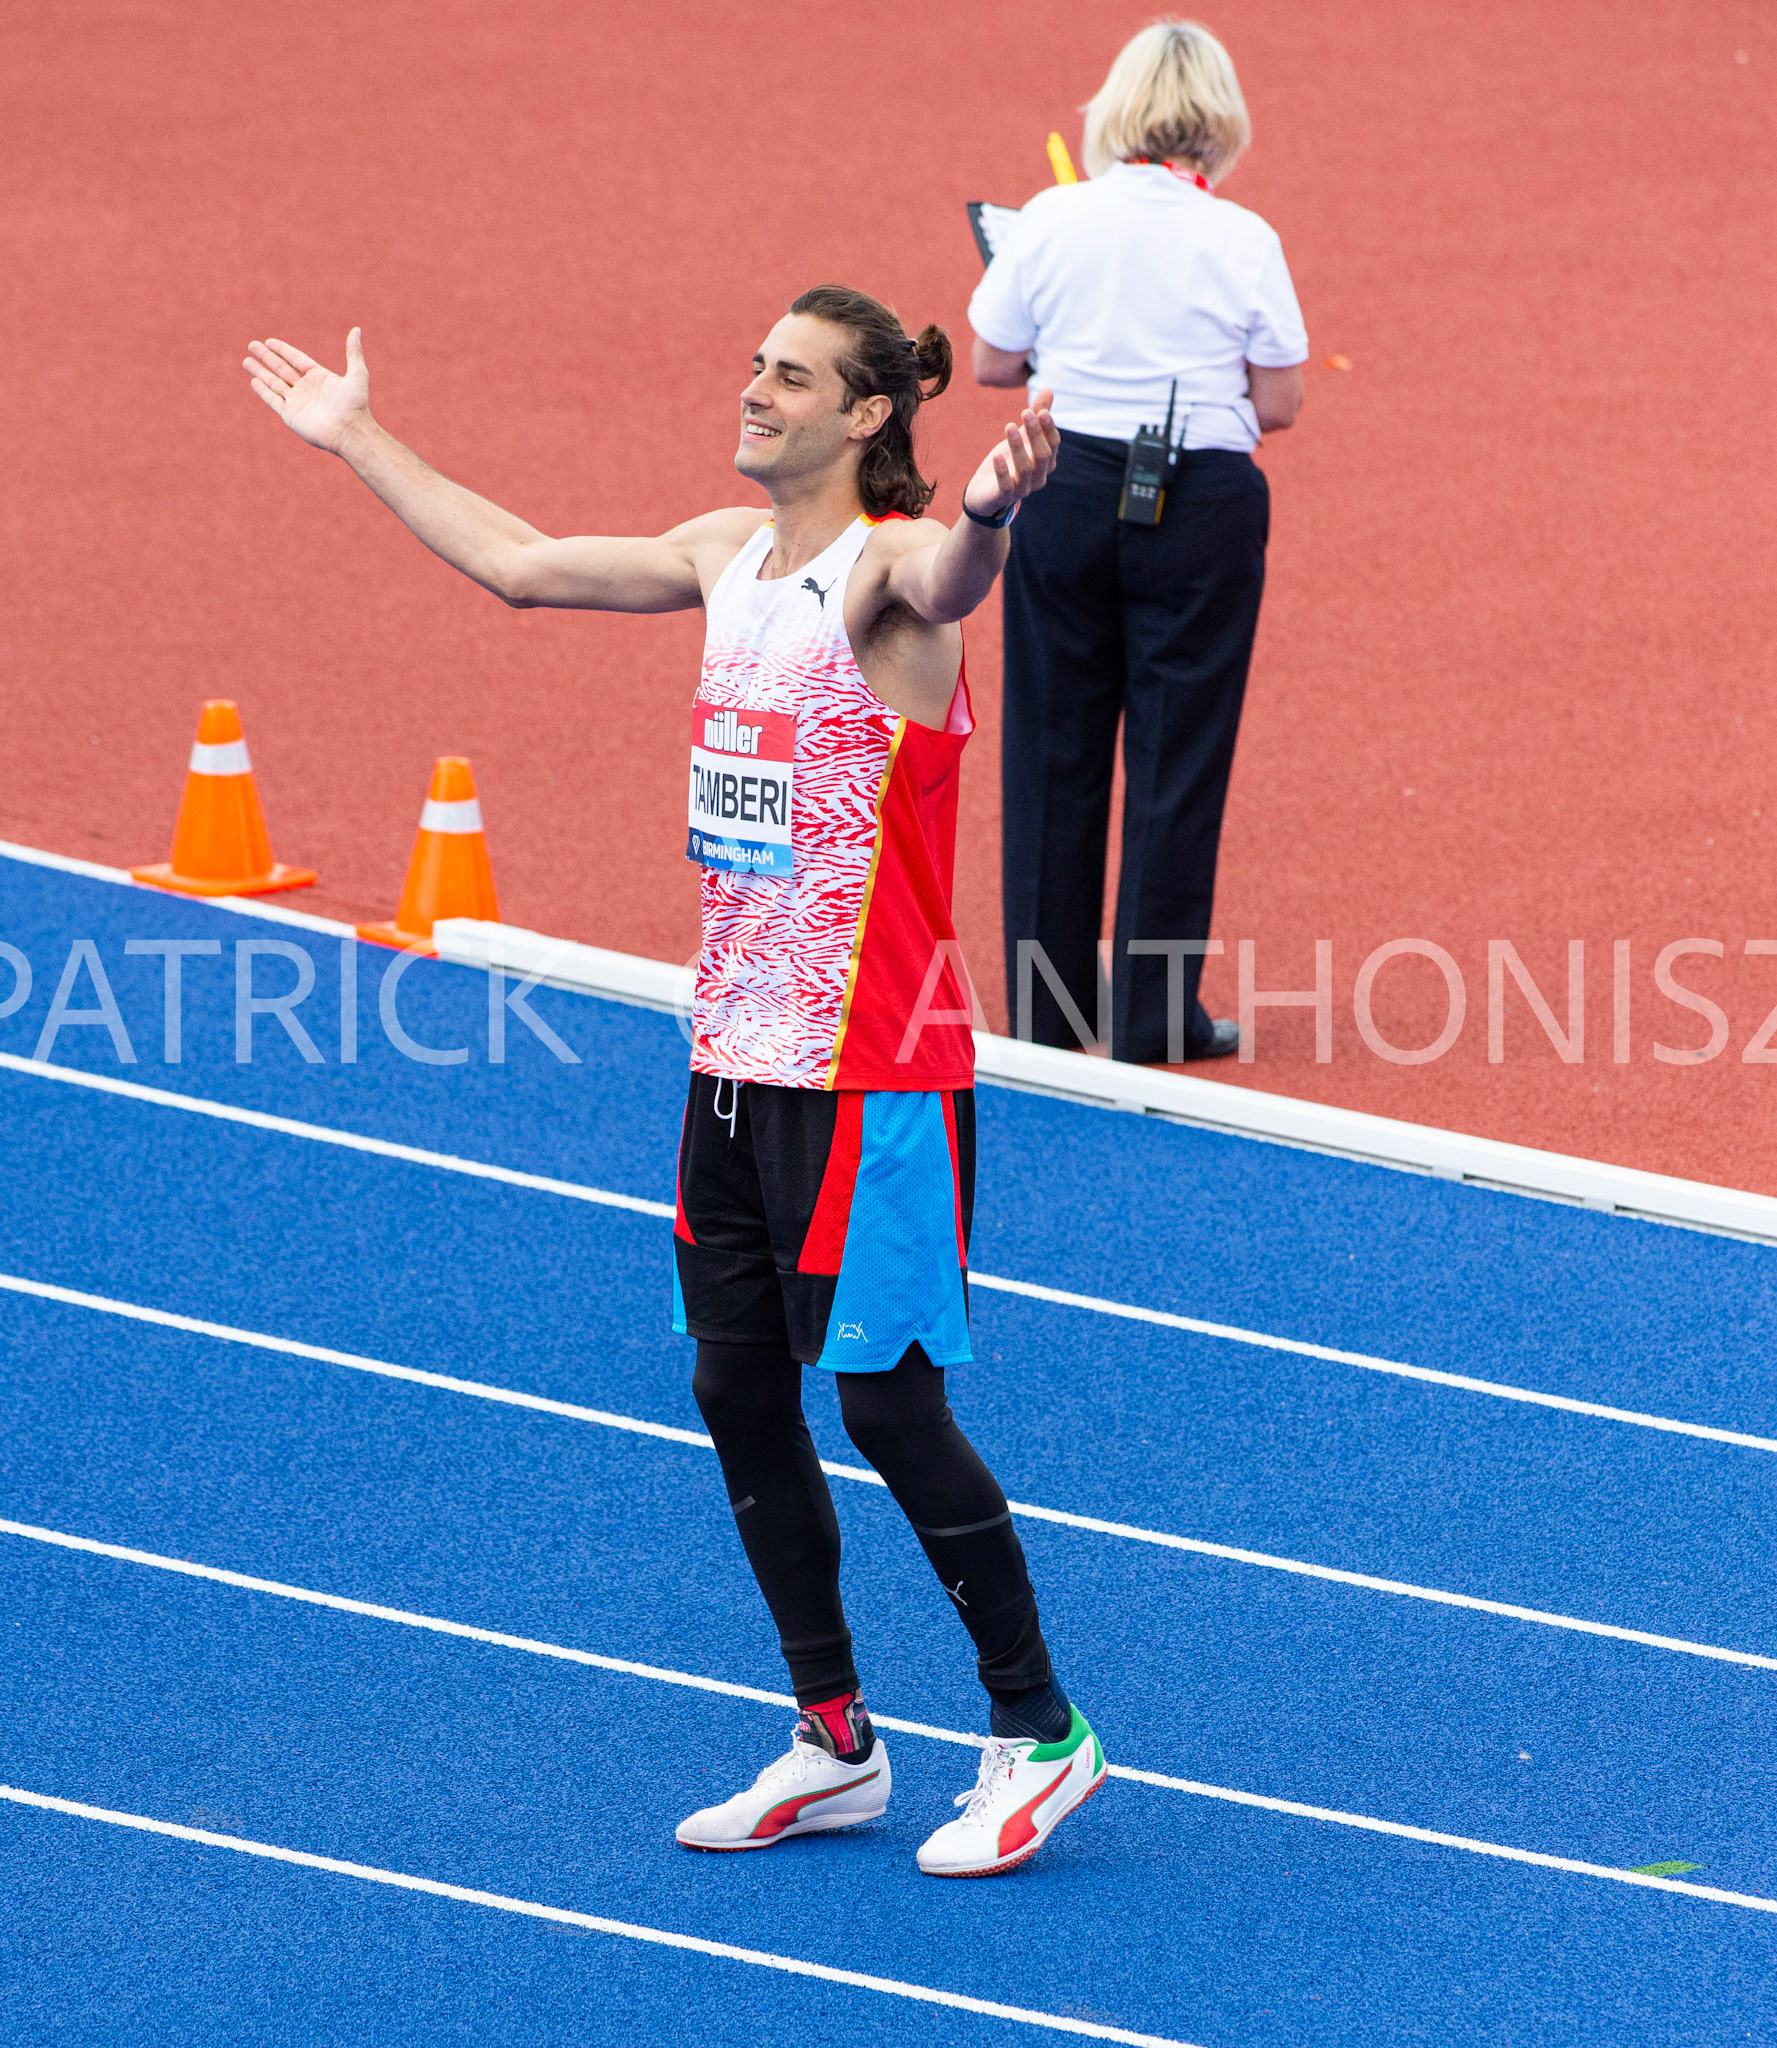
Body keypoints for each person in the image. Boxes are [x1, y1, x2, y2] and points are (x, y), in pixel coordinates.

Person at [242, 284, 1105, 1878]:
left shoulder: (885, 585)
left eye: (791, 376)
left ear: (864, 417)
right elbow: (517, 567)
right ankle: (834, 1738)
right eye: (755, 365)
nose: (756, 389)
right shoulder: (726, 553)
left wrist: (991, 503)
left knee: (888, 1406)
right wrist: (357, 436)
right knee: (732, 1389)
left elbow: (955, 565)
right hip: (732, 1058)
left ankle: (1039, 1732)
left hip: (873, 1073)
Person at [969, 20, 1309, 1065]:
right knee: (1177, 755)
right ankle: (1157, 1019)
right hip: (1197, 497)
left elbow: (991, 361)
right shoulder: (1242, 236)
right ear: (1220, 123)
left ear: (1114, 111)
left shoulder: (1056, 220)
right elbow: (1283, 400)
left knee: (1050, 749)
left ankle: (1049, 1016)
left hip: (1063, 485)